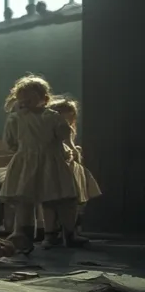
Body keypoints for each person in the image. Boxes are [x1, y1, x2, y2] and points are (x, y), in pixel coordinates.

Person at [0, 76, 85, 252]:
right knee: (56, 198)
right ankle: (63, 234)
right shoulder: (50, 117)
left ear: (44, 99)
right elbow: (63, 135)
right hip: (48, 161)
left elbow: (10, 143)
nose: (25, 104)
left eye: (27, 100)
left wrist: (24, 149)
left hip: (29, 162)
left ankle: (32, 235)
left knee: (29, 200)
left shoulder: (17, 118)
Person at [49, 98, 100, 240]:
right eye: (66, 115)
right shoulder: (59, 128)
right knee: (65, 200)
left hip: (70, 168)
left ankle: (68, 229)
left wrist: (76, 152)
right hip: (62, 169)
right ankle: (63, 230)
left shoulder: (66, 128)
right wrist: (74, 153)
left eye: (71, 116)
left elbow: (70, 146)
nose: (69, 119)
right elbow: (67, 147)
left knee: (74, 199)